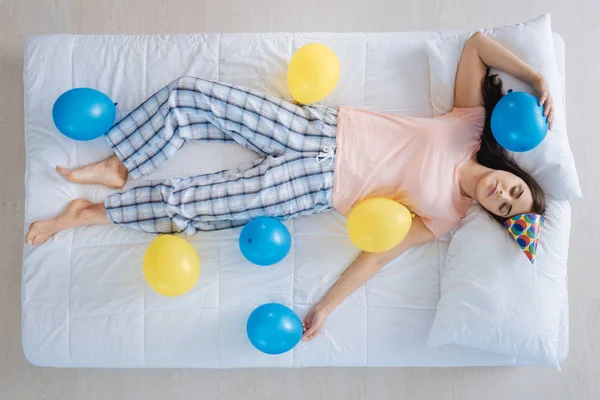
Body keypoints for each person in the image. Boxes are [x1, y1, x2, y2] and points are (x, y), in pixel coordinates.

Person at [25, 32, 552, 341]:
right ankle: (122, 162)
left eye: (507, 208)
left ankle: (88, 214)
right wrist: (538, 77)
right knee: (190, 94)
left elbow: (378, 254)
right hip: (319, 127)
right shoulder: (471, 125)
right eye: (515, 190)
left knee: (198, 205)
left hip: (314, 185)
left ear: (493, 214)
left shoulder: (446, 215)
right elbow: (477, 44)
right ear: (513, 173)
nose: (503, 196)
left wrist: (327, 306)